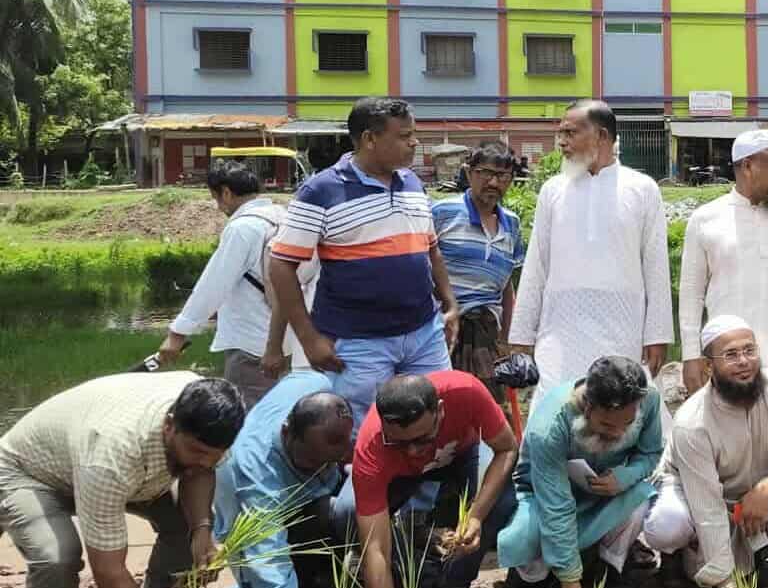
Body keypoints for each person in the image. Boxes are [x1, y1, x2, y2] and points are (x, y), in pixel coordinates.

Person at [0, 373, 244, 588]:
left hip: (127, 470)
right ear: (169, 425)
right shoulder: (112, 452)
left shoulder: (211, 411)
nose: (205, 460)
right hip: (32, 473)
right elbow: (109, 570)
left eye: (213, 455)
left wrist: (202, 530)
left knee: (184, 531)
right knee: (57, 556)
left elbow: (198, 471)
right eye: (196, 450)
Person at [270, 97, 461, 425]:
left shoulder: (413, 184)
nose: (414, 143)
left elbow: (431, 249)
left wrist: (450, 304)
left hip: (423, 334)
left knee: (435, 421)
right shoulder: (321, 191)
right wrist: (308, 338)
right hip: (358, 343)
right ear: (370, 139)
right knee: (361, 432)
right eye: (403, 136)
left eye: (413, 134)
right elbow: (281, 265)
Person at [337, 370, 521, 588]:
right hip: (400, 478)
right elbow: (376, 549)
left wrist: (475, 515)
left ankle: (452, 585)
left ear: (441, 409)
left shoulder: (467, 391)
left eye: (422, 439)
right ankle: (403, 571)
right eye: (399, 442)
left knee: (500, 502)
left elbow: (507, 448)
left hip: (457, 459)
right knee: (348, 513)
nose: (412, 450)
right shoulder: (372, 447)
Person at [643, 317, 768, 588]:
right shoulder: (692, 422)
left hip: (756, 498)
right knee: (667, 524)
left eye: (750, 350)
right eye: (731, 355)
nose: (744, 361)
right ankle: (674, 558)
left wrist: (766, 489)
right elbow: (707, 509)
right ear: (709, 368)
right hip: (697, 496)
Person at [507, 99, 674, 393]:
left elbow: (656, 266)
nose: (562, 142)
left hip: (623, 326)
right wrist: (522, 335)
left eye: (571, 133)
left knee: (622, 408)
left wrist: (657, 335)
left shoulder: (642, 188)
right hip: (560, 328)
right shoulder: (553, 190)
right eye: (561, 133)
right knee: (556, 409)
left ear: (602, 136)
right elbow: (536, 266)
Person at [495, 355, 665, 588]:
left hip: (607, 495)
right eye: (608, 426)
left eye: (627, 424)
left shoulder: (648, 399)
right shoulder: (550, 427)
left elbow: (650, 454)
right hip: (546, 497)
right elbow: (556, 508)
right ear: (587, 405)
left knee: (640, 500)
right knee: (521, 538)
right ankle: (533, 583)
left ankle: (608, 572)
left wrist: (623, 478)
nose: (620, 432)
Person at [211, 375, 354, 588]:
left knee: (344, 508)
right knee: (262, 582)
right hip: (245, 519)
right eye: (311, 461)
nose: (321, 466)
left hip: (306, 501)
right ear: (287, 433)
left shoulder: (317, 384)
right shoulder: (255, 473)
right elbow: (267, 557)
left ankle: (324, 583)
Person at [677, 129, 768, 397]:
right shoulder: (706, 218)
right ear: (748, 166)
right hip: (730, 367)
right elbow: (691, 294)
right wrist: (691, 356)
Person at [156, 158, 289, 405]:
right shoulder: (283, 216)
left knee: (247, 423)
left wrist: (178, 335)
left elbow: (213, 286)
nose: (218, 206)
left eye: (216, 198)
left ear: (226, 192)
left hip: (252, 344)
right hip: (291, 341)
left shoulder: (242, 228)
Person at [431, 142, 526, 398]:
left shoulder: (512, 225)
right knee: (440, 404)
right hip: (442, 331)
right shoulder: (442, 212)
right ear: (469, 172)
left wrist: (506, 340)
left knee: (485, 409)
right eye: (485, 173)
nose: (493, 182)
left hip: (486, 333)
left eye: (502, 176)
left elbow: (507, 287)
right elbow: (420, 266)